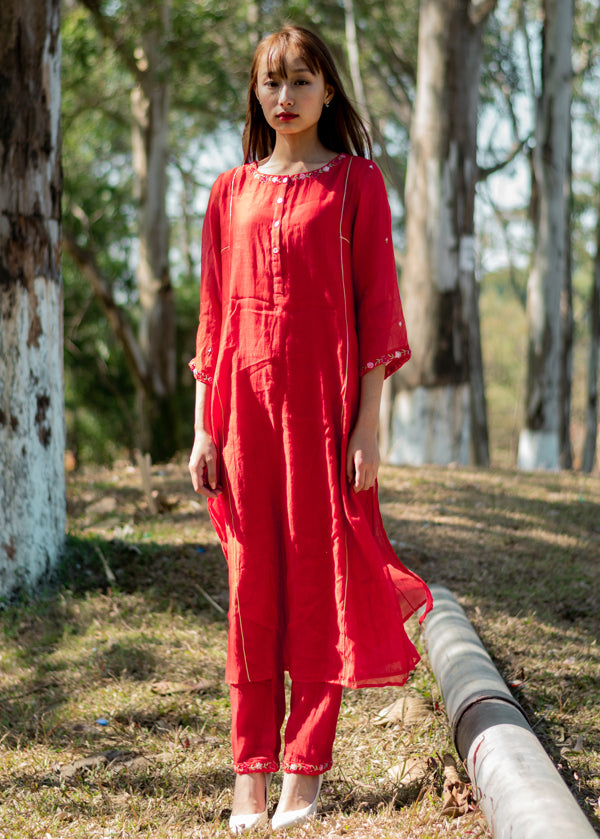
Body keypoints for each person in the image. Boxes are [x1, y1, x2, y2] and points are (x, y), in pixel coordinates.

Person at [188, 24, 432, 834]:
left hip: (325, 418)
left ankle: (304, 768)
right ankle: (250, 770)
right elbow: (214, 320)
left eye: (300, 80)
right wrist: (203, 431)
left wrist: (368, 425)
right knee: (251, 588)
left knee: (319, 586)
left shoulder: (358, 184)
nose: (283, 96)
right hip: (243, 418)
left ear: (328, 89)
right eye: (270, 82)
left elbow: (376, 315)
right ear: (256, 94)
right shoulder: (229, 192)